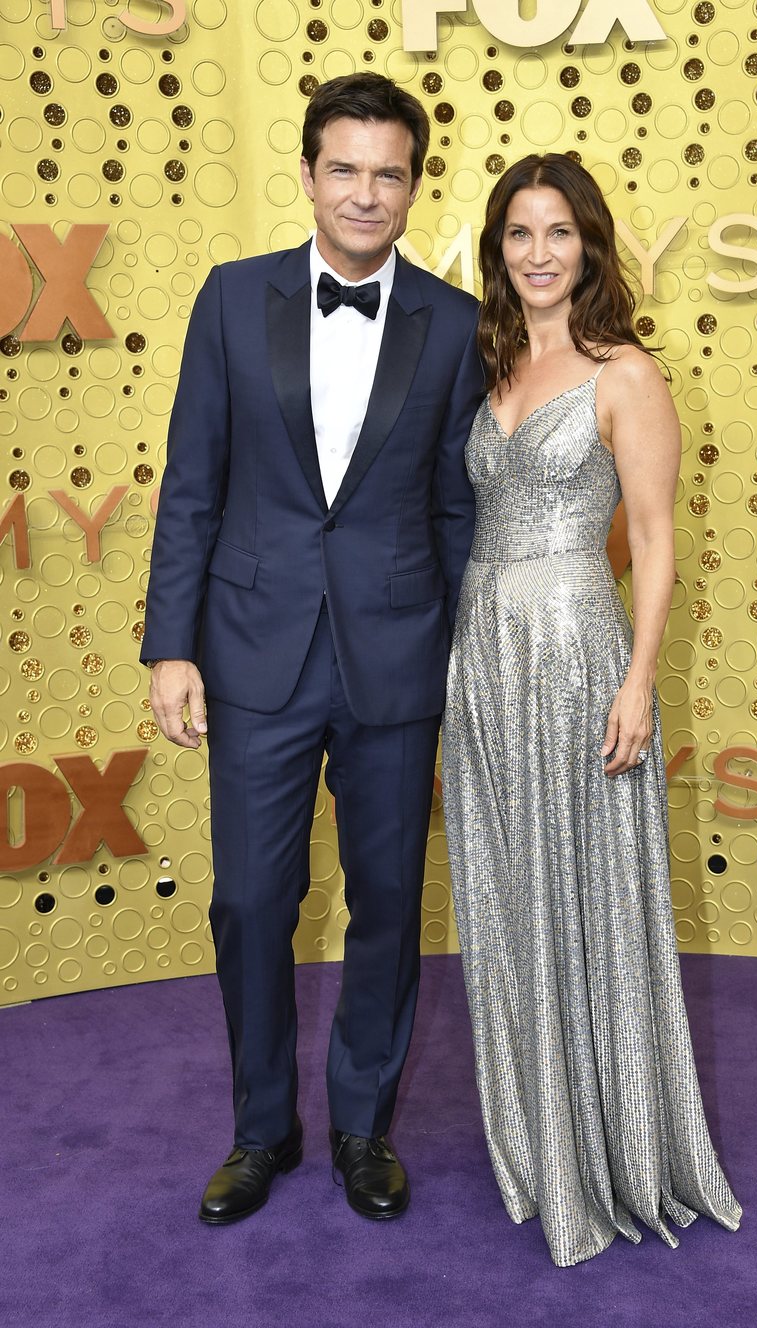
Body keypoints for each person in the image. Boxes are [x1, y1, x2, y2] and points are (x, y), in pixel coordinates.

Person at [142, 73, 484, 1225]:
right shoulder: (231, 299)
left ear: (412, 185)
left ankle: (361, 1125)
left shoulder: (449, 322)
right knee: (250, 899)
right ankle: (260, 1130)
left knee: (388, 898)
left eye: (389, 172)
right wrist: (170, 645)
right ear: (306, 174)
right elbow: (192, 483)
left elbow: (455, 511)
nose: (366, 192)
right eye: (345, 168)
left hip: (396, 656)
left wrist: (466, 655)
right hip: (251, 651)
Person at [442, 154, 742, 1267]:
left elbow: (656, 541)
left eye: (557, 232)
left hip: (577, 656)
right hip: (486, 658)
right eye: (518, 234)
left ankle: (614, 1139)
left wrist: (639, 677)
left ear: (591, 245)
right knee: (511, 891)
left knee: (590, 891)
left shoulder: (626, 373)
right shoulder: (497, 366)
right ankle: (540, 1130)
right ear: (497, 249)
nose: (537, 254)